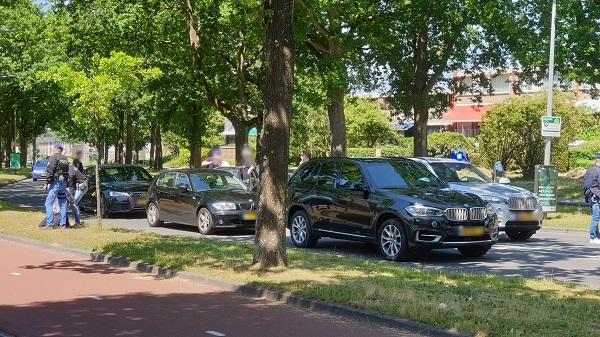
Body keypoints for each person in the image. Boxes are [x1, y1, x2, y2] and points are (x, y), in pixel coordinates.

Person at [43, 143, 70, 229]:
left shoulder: (53, 157)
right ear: (61, 150)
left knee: (48, 203)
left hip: (56, 183)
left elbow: (50, 171)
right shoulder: (65, 158)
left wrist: (47, 182)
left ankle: (50, 224)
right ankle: (63, 224)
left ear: (54, 149)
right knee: (62, 203)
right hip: (64, 183)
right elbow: (67, 171)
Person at [583, 153, 600, 244]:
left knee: (596, 216)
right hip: (597, 196)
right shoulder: (598, 171)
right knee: (596, 217)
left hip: (591, 196)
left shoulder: (590, 170)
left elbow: (585, 184)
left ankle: (597, 235)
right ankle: (593, 237)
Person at [67, 163, 88, 227]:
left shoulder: (70, 169)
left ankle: (79, 222)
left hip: (81, 187)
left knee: (73, 203)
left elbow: (70, 182)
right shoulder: (70, 167)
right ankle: (78, 221)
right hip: (79, 186)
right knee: (73, 203)